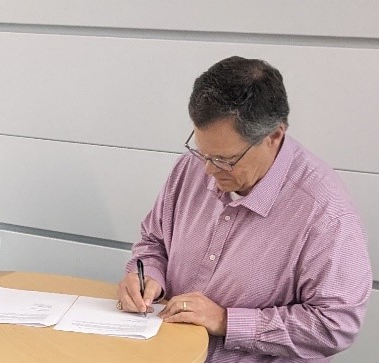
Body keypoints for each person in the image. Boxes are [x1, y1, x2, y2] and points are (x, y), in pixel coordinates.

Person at [117, 56, 371, 361]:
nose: (209, 170)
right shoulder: (193, 166)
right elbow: (154, 241)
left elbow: (336, 325)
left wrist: (227, 321)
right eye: (202, 151)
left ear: (274, 137)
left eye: (226, 159)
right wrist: (147, 276)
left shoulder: (326, 215)